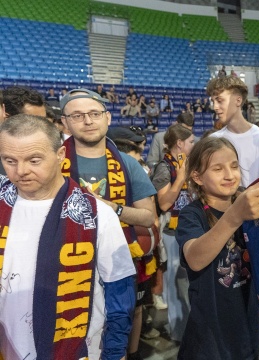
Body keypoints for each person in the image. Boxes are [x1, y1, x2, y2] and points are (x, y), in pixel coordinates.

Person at [0, 114, 136, 360]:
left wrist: (114, 353)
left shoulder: (96, 214)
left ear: (60, 155)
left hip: (77, 351)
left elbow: (120, 293)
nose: (21, 171)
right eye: (10, 160)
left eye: (34, 160)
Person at [58, 88, 158, 360]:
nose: (88, 121)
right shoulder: (52, 163)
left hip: (116, 264)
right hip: (65, 265)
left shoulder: (128, 164)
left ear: (108, 118)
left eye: (94, 113)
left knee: (113, 336)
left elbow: (148, 217)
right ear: (64, 123)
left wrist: (112, 208)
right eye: (77, 115)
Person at [175, 136, 259, 359]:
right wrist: (234, 216)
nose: (229, 175)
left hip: (248, 327)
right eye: (218, 169)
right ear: (197, 177)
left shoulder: (249, 204)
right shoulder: (193, 214)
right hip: (209, 337)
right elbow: (195, 258)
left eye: (234, 166)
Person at [150, 124, 196, 342]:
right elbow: (165, 203)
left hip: (188, 228)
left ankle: (189, 328)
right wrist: (181, 178)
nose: (193, 145)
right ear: (180, 143)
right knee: (174, 284)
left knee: (187, 283)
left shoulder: (186, 163)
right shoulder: (164, 167)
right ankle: (179, 333)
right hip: (171, 233)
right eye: (191, 142)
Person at [207, 76, 259, 187]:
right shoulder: (213, 140)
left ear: (238, 100)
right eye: (213, 101)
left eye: (219, 100)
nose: (215, 107)